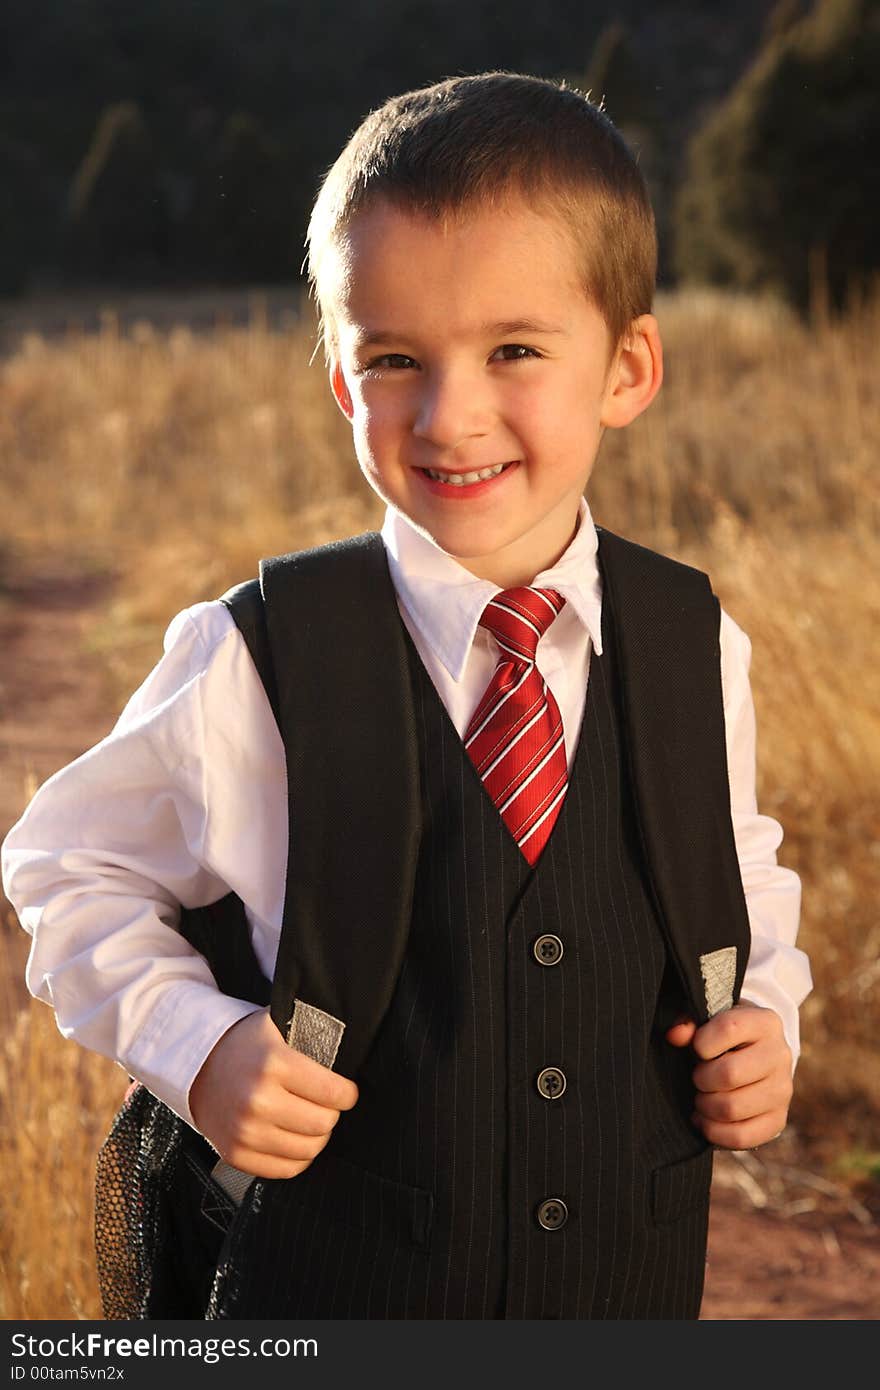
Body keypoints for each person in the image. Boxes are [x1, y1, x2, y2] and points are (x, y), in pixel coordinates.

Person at [1, 72, 811, 1320]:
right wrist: (198, 1048)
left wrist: (763, 1011)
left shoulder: (692, 641)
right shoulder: (257, 654)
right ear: (340, 377)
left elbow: (735, 865)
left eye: (515, 349)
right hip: (332, 1292)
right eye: (392, 359)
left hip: (628, 1285)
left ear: (628, 367)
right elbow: (63, 866)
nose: (449, 413)